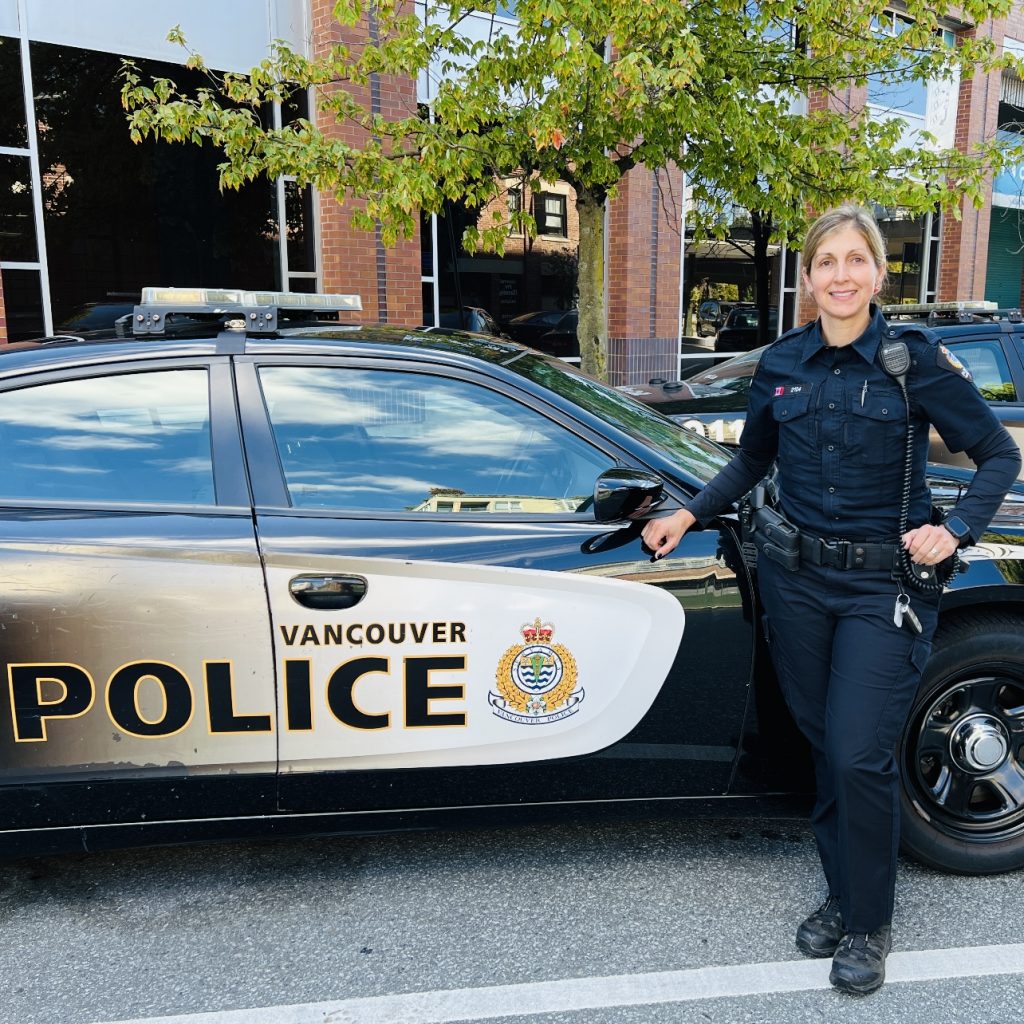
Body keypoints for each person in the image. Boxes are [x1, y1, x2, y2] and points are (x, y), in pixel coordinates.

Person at [642, 205, 1021, 995]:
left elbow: (996, 455)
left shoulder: (912, 359)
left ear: (880, 275)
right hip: (798, 583)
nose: (842, 275)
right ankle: (842, 893)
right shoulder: (782, 363)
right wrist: (687, 512)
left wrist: (954, 531)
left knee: (859, 752)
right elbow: (751, 460)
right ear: (807, 277)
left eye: (857, 261)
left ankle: (869, 924)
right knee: (824, 745)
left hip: (883, 588)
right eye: (827, 262)